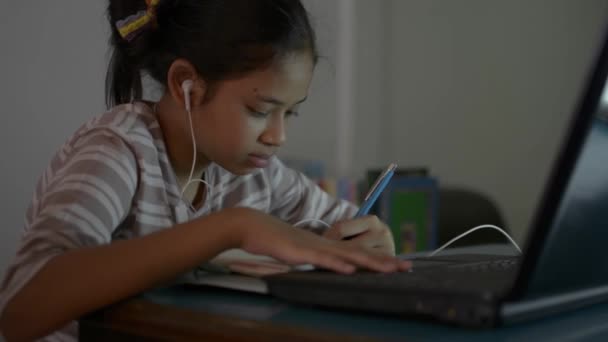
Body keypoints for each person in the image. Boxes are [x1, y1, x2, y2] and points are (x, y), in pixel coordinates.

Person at [0, 1, 409, 340]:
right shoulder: (117, 153)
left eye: (290, 113)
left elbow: (345, 228)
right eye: (260, 111)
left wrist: (369, 238)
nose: (278, 135)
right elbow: (20, 312)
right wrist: (230, 228)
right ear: (185, 84)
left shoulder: (256, 174)